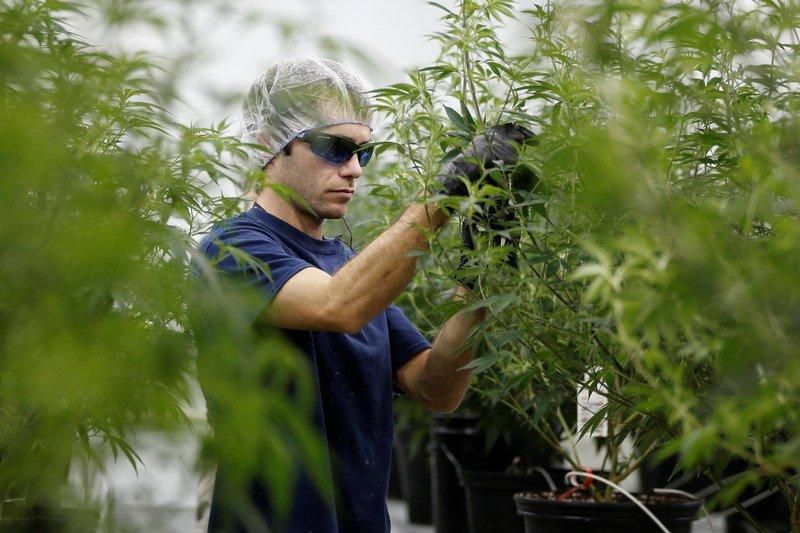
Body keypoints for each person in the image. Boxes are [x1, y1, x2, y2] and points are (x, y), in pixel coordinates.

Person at [198, 57, 531, 532]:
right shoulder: (233, 250)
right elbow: (338, 306)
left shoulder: (347, 267)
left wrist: (478, 284)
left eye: (363, 153)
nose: (354, 169)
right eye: (335, 148)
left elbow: (435, 388)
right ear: (271, 143)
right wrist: (445, 195)